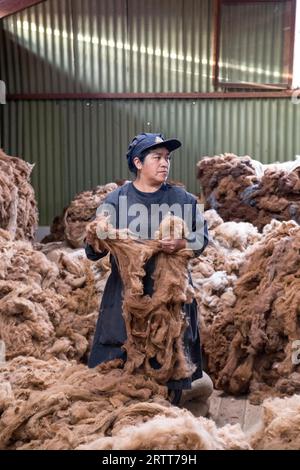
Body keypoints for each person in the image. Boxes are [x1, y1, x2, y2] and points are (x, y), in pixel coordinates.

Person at [85, 133, 209, 405]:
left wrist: (182, 243)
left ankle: (168, 417)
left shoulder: (184, 199)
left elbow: (202, 238)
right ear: (138, 163)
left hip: (171, 296)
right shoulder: (115, 200)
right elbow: (92, 251)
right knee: (120, 367)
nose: (165, 163)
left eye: (168, 158)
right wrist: (103, 238)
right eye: (157, 157)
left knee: (169, 362)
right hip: (126, 295)